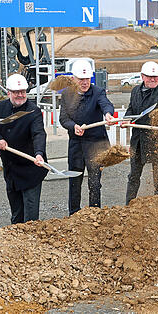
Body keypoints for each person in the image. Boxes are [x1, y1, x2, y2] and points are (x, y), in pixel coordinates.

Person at [0, 74, 49, 223]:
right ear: (8, 93)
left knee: (30, 217)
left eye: (23, 91)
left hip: (31, 168)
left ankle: (31, 241)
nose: (20, 95)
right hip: (11, 169)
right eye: (16, 92)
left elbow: (38, 133)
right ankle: (16, 242)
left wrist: (39, 153)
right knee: (16, 213)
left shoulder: (33, 111)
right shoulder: (0, 107)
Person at [58, 60, 115, 215]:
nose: (84, 82)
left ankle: (94, 214)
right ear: (74, 79)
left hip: (96, 144)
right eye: (81, 79)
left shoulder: (97, 92)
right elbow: (63, 118)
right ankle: (74, 214)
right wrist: (73, 127)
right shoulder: (67, 94)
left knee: (95, 182)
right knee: (74, 181)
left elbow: (106, 104)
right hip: (76, 144)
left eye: (87, 79)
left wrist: (108, 114)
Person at [125, 61, 158, 203]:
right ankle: (129, 204)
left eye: (155, 77)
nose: (153, 79)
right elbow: (130, 110)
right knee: (133, 175)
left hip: (156, 139)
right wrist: (125, 120)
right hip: (138, 141)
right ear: (142, 76)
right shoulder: (135, 91)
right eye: (149, 77)